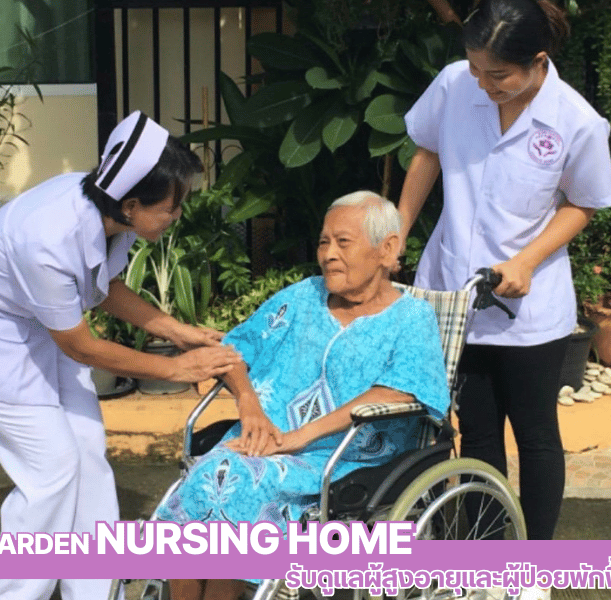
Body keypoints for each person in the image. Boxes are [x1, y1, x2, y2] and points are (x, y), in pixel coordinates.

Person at [0, 110, 242, 600]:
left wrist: (175, 331)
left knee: (88, 453)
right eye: (171, 207)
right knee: (51, 470)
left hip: (39, 324)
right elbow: (81, 345)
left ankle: (94, 591)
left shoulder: (109, 211)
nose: (177, 215)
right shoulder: (46, 236)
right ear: (132, 205)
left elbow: (100, 285)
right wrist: (175, 367)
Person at [155, 191, 451, 600]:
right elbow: (233, 351)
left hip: (347, 457)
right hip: (261, 438)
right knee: (209, 477)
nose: (328, 254)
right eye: (323, 242)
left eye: (343, 242)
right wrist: (249, 404)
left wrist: (298, 438)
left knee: (237, 484)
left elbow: (401, 390)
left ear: (387, 249)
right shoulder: (301, 298)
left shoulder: (412, 317)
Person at [398, 0, 611, 550]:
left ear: (538, 61)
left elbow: (584, 203)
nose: (483, 83)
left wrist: (526, 260)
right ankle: (486, 555)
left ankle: (533, 564)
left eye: (497, 74)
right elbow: (427, 152)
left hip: (530, 307)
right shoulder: (455, 84)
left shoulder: (576, 121)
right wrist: (396, 230)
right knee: (476, 435)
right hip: (456, 290)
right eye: (476, 68)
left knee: (537, 435)